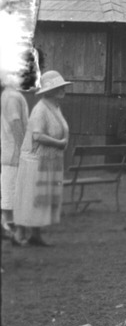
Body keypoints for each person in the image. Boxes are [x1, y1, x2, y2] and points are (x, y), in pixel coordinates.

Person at [14, 71, 72, 245]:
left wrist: (60, 143)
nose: (62, 90)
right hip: (35, 160)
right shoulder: (40, 109)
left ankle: (35, 235)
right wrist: (59, 143)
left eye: (62, 87)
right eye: (58, 88)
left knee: (42, 199)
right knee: (31, 197)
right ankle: (19, 235)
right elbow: (37, 136)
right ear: (49, 91)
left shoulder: (55, 107)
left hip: (49, 159)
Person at [1, 73, 30, 244]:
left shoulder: (10, 95)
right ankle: (13, 234)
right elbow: (15, 122)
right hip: (14, 155)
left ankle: (11, 231)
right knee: (12, 197)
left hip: (11, 154)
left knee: (11, 195)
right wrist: (24, 149)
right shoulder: (11, 96)